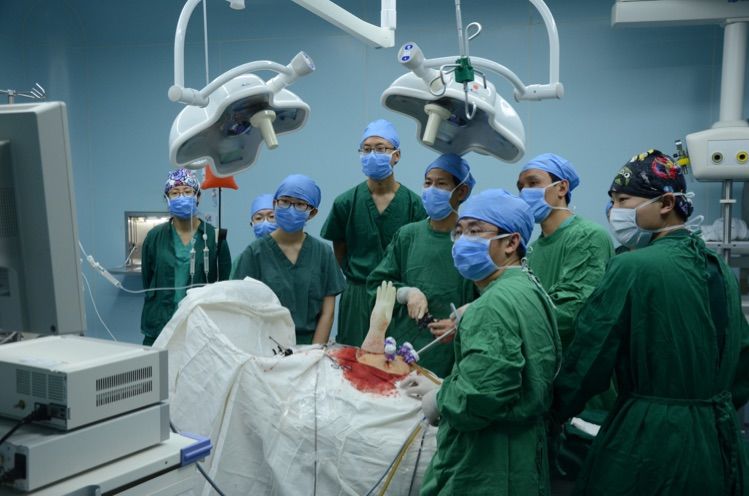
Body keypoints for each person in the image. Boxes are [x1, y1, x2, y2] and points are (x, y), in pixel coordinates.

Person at [551, 150, 749, 495]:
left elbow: (590, 358)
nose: (614, 211)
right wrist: (703, 413)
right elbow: (743, 361)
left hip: (650, 440)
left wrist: (551, 412)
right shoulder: (719, 267)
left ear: (667, 203)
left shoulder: (632, 267)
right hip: (718, 440)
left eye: (623, 200)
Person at [401, 189, 561, 495]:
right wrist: (447, 385)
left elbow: (480, 397)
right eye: (459, 231)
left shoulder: (491, 306)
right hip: (523, 452)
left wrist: (440, 399)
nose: (462, 241)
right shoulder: (527, 288)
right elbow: (509, 373)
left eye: (475, 231)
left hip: (489, 459)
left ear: (511, 242)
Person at [367, 153, 479, 377]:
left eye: (441, 184)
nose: (431, 190)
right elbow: (377, 284)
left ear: (462, 192)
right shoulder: (408, 235)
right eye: (428, 183)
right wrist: (406, 293)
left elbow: (490, 299)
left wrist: (462, 321)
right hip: (401, 351)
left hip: (452, 356)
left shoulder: (471, 243)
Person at [320, 119, 426, 346]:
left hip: (396, 295)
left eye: (380, 148)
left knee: (395, 358)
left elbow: (417, 254)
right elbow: (340, 248)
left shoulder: (414, 204)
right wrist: (358, 275)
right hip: (357, 296)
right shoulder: (346, 202)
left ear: (396, 155)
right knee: (353, 359)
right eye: (366, 149)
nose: (372, 154)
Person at [233, 174, 346, 345]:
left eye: (300, 204)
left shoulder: (323, 253)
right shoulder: (254, 254)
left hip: (311, 346)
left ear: (312, 212)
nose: (291, 209)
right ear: (275, 204)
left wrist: (312, 353)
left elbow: (327, 313)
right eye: (285, 201)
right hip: (266, 347)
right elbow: (241, 310)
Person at [517, 153, 614, 350]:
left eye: (533, 183)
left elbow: (571, 311)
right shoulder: (532, 250)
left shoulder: (588, 236)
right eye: (521, 187)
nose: (525, 192)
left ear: (562, 188)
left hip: (577, 360)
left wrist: (508, 318)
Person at [141, 168, 231, 346]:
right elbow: (148, 281)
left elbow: (223, 285)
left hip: (200, 329)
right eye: (175, 193)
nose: (181, 197)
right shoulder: (154, 237)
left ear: (198, 197)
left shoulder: (214, 237)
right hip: (160, 326)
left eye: (187, 191)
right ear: (167, 199)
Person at [230, 193, 277, 278]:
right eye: (259, 218)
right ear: (252, 224)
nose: (265, 223)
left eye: (271, 216)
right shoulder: (243, 260)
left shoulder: (291, 257)